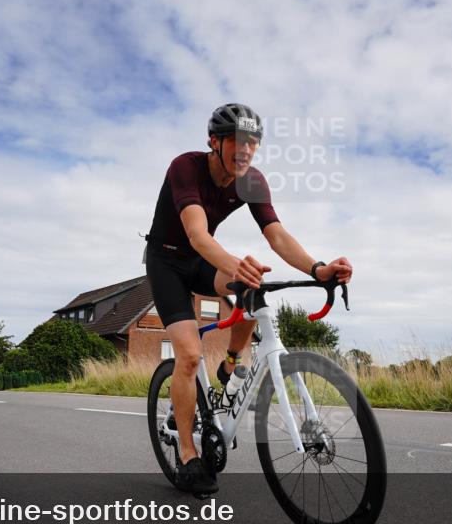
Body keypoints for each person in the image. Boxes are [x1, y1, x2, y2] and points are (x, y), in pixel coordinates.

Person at [144, 103, 353, 495]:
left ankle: (231, 365)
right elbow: (196, 235)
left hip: (203, 259)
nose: (246, 150)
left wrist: (318, 268)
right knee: (188, 355)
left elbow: (275, 234)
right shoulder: (185, 168)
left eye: (253, 143)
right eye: (238, 142)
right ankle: (188, 455)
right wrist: (234, 264)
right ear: (214, 142)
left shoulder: (251, 181)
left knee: (252, 289)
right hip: (168, 261)